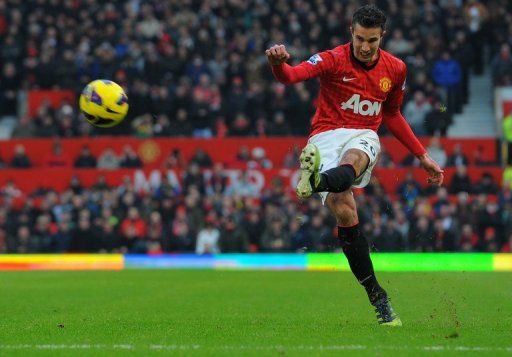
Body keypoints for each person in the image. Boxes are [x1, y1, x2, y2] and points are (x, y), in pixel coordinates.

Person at [266, 4, 444, 326]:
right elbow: (292, 76)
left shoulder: (396, 69)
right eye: (360, 38)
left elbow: (391, 114)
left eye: (372, 40)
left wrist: (422, 155)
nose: (364, 47)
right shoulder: (332, 59)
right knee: (346, 211)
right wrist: (278, 65)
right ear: (351, 31)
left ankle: (315, 180)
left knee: (356, 156)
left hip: (363, 133)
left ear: (382, 36)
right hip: (324, 137)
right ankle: (377, 295)